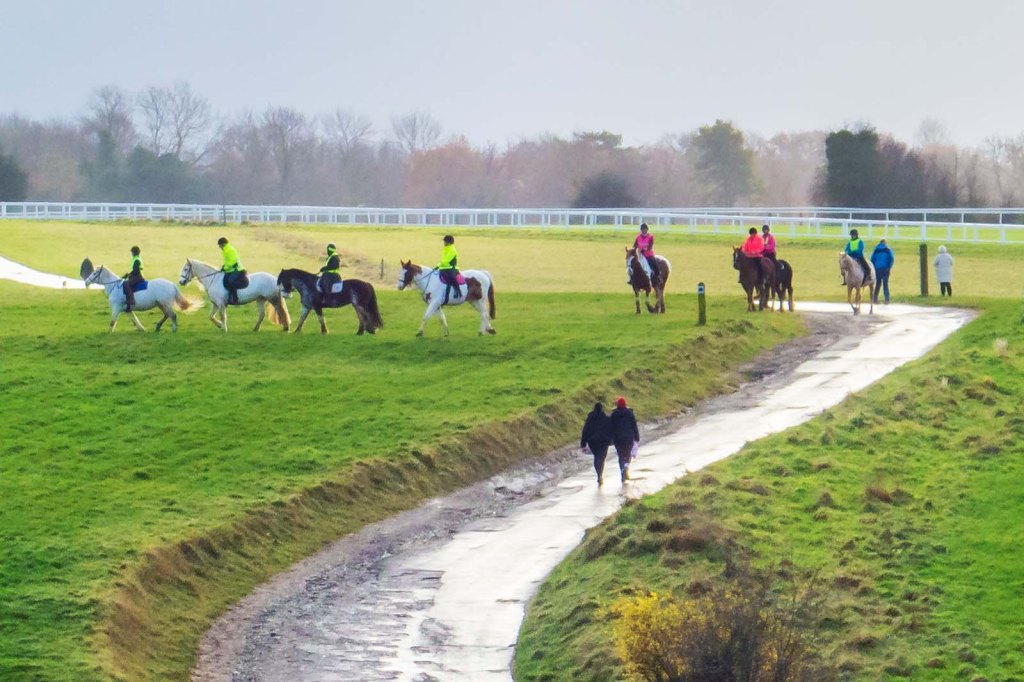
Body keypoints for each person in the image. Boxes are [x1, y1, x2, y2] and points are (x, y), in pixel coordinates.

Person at [580, 402, 613, 486]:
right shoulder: (606, 418)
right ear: (602, 409)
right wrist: (612, 440)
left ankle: (599, 474)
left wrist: (583, 443)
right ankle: (600, 474)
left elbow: (585, 430)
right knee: (601, 458)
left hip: (593, 441)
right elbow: (611, 429)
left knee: (597, 457)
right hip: (604, 441)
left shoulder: (590, 419)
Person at [609, 396, 640, 484]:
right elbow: (634, 426)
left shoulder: (613, 415)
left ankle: (622, 471)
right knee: (628, 454)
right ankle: (626, 466)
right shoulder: (630, 413)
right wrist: (637, 437)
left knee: (620, 455)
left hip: (618, 439)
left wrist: (610, 438)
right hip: (628, 437)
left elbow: (610, 427)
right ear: (625, 404)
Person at [218, 237, 244, 305]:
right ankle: (228, 297)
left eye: (220, 246)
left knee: (231, 281)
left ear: (223, 244)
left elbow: (232, 262)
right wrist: (223, 266)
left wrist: (225, 268)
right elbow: (227, 261)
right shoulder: (226, 250)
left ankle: (235, 299)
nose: (220, 248)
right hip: (230, 270)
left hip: (237, 269)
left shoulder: (230, 250)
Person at [870, 238, 895, 304]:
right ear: (885, 243)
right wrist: (889, 267)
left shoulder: (876, 250)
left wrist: (874, 267)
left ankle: (875, 299)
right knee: (885, 284)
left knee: (878, 284)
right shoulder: (888, 250)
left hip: (877, 269)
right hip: (885, 269)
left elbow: (872, 259)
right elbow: (891, 259)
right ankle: (887, 300)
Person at [438, 234, 461, 304]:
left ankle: (457, 291)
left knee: (450, 279)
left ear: (449, 242)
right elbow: (443, 260)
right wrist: (438, 266)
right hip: (444, 268)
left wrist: (439, 265)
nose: (444, 243)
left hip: (451, 268)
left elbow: (446, 261)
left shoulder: (452, 250)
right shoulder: (445, 249)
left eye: (445, 241)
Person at [122, 245, 145, 312]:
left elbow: (136, 271)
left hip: (138, 276)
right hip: (137, 275)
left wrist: (128, 274)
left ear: (134, 252)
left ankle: (131, 300)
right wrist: (129, 274)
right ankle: (128, 307)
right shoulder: (136, 259)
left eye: (131, 252)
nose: (131, 254)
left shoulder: (136, 260)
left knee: (126, 284)